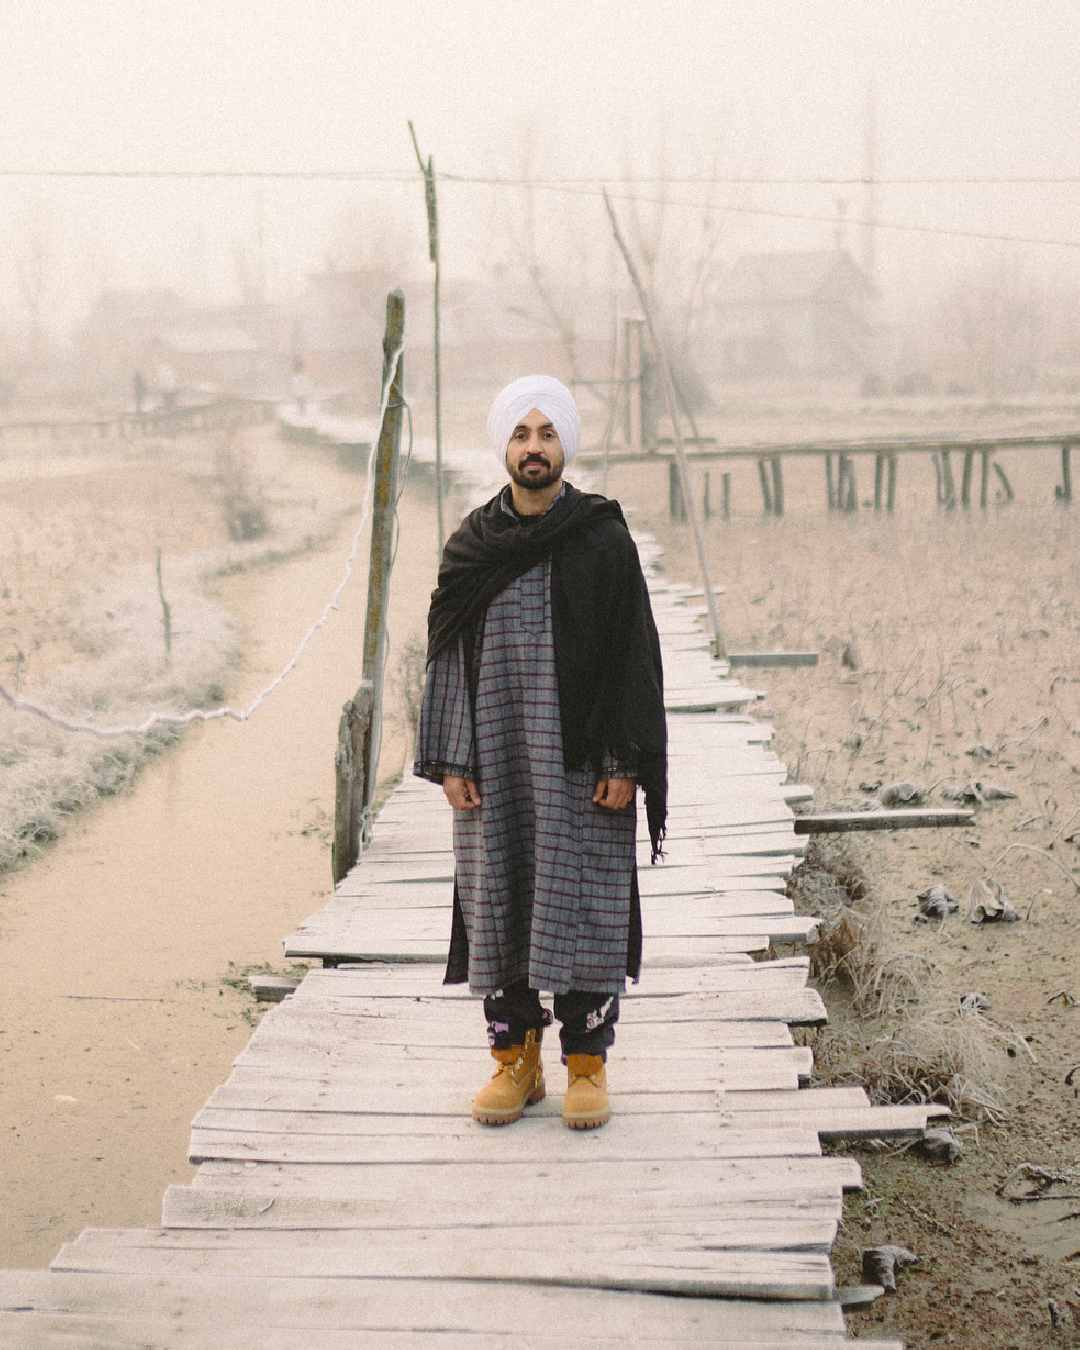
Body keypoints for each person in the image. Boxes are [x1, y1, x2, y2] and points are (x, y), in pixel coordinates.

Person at [414, 375, 666, 1131]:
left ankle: (586, 1067)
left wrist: (625, 761)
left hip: (582, 761)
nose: (533, 448)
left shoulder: (601, 540)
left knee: (583, 899)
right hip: (496, 756)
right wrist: (453, 756)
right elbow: (446, 654)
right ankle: (513, 1062)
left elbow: (633, 656)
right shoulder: (471, 546)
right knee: (501, 898)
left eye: (546, 434)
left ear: (565, 446)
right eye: (521, 435)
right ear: (504, 448)